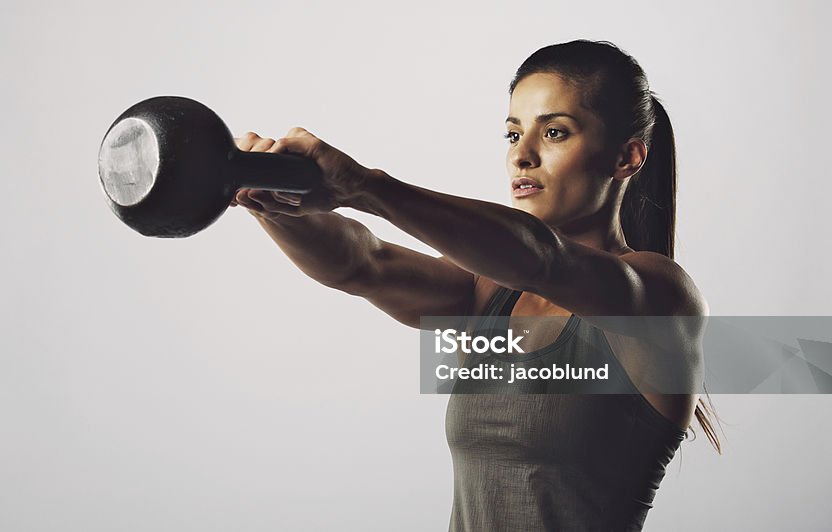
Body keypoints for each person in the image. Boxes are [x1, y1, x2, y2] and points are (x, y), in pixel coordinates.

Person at [229, 39, 720, 531]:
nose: (522, 156)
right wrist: (266, 197)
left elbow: (545, 260)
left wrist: (365, 186)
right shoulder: (488, 292)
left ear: (626, 158)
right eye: (512, 135)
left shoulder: (660, 295)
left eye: (554, 132)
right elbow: (362, 263)